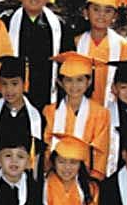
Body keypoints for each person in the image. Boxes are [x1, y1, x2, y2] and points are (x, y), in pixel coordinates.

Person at [0, 0, 73, 111]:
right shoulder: (5, 22)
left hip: (48, 99)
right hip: (12, 99)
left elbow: (68, 66)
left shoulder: (60, 26)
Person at [42, 51, 111, 181]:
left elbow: (100, 151)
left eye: (80, 80)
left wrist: (93, 180)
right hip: (55, 175)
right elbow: (46, 147)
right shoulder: (49, 111)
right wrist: (48, 171)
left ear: (89, 81)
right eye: (68, 80)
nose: (74, 86)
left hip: (86, 177)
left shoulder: (101, 113)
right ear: (60, 82)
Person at [0, 55, 45, 184]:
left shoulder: (36, 117)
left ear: (24, 84)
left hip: (27, 182)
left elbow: (38, 156)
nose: (9, 90)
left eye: (14, 83)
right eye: (4, 84)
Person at [74, 0, 127, 110]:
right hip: (78, 108)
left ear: (115, 16)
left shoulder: (123, 46)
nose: (101, 15)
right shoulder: (76, 42)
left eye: (108, 11)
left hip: (111, 110)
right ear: (86, 13)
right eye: (96, 9)